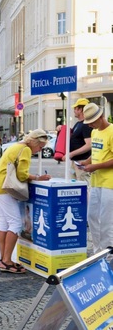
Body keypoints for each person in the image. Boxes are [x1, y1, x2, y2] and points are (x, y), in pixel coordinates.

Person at [0, 129, 51, 274]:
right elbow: (22, 175)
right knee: (15, 223)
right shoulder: (25, 150)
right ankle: (7, 260)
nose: (39, 151)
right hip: (6, 188)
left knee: (4, 222)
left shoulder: (16, 145)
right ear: (35, 142)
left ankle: (3, 258)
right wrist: (38, 178)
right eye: (40, 147)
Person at [79, 103, 113, 253]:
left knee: (106, 220)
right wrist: (87, 162)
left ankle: (107, 252)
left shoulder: (111, 131)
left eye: (93, 121)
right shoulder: (95, 132)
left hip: (110, 182)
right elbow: (97, 153)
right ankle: (97, 250)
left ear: (101, 117)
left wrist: (95, 167)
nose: (91, 125)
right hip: (96, 180)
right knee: (92, 216)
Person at [58, 98, 92, 186]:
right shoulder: (78, 123)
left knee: (84, 187)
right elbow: (73, 135)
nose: (74, 110)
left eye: (75, 108)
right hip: (75, 161)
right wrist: (61, 128)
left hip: (82, 161)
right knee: (73, 186)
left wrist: (71, 154)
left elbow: (89, 145)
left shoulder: (86, 125)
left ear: (80, 109)